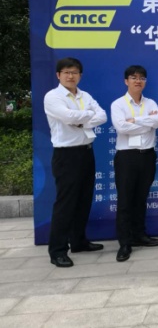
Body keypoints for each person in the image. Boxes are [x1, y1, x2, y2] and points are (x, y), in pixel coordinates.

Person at [43, 57, 107, 268]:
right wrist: (87, 116)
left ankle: (78, 241)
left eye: (75, 72)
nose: (71, 76)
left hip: (86, 152)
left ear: (80, 75)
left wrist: (81, 120)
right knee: (66, 203)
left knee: (84, 200)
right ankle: (58, 250)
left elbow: (102, 116)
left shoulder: (84, 95)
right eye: (67, 72)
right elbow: (68, 117)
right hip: (66, 156)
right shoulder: (53, 97)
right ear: (58, 75)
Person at [111, 65, 158, 262]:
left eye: (141, 78)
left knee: (141, 198)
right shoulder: (118, 104)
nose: (138, 81)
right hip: (127, 157)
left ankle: (139, 235)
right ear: (126, 81)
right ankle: (125, 243)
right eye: (134, 78)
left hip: (147, 155)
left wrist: (135, 120)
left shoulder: (150, 102)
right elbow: (121, 127)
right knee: (125, 200)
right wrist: (146, 123)